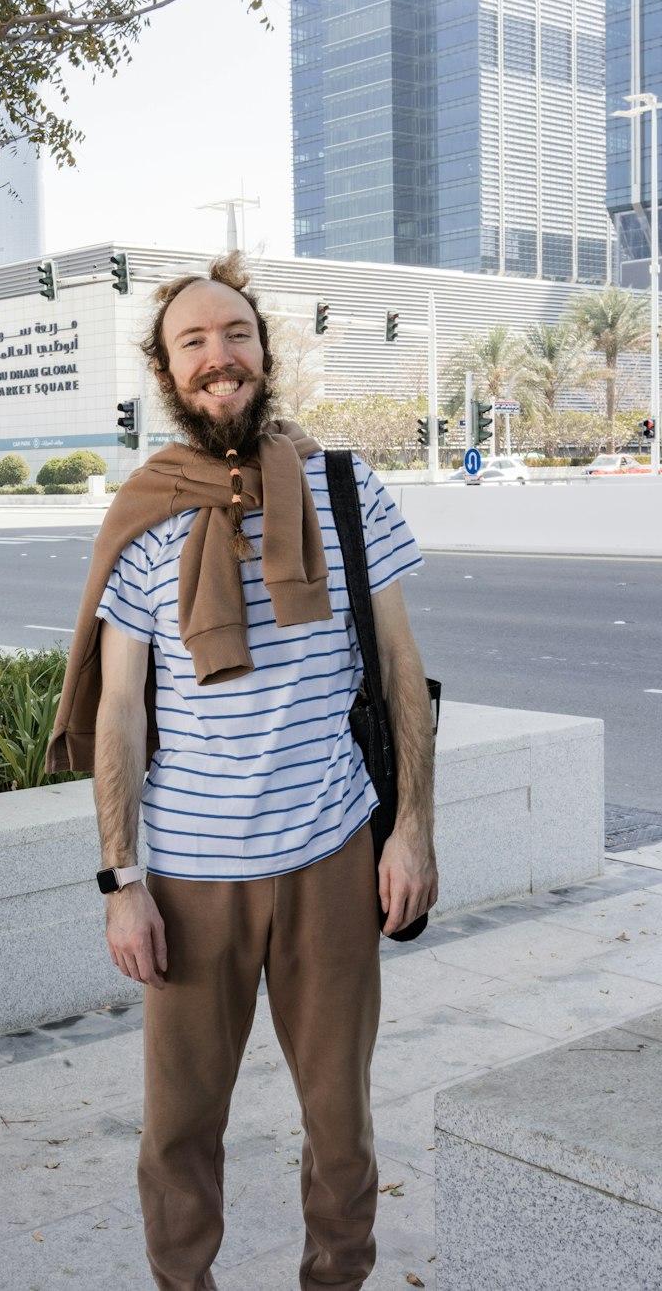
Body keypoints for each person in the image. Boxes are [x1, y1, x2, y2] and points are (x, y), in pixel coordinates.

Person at [46, 252, 438, 1291]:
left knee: (341, 1126)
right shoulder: (146, 514)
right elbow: (121, 714)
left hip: (330, 859)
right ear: (166, 372)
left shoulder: (345, 489)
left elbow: (402, 671)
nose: (219, 357)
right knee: (177, 1132)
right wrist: (121, 884)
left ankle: (334, 1280)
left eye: (235, 335)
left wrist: (409, 830)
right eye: (193, 342)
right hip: (188, 876)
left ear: (262, 352)